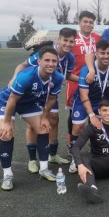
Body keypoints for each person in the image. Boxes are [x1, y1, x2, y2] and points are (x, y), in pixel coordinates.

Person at [9, 28, 77, 172]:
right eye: (65, 40)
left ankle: (52, 154)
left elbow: (67, 76)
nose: (68, 44)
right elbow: (22, 65)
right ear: (59, 39)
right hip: (33, 93)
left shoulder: (70, 57)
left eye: (71, 41)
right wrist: (15, 77)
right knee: (33, 124)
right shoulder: (46, 52)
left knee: (54, 119)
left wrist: (86, 79)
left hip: (49, 92)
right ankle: (32, 159)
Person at [0, 47, 64, 190]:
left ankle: (44, 168)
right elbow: (12, 100)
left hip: (28, 103)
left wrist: (45, 117)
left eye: (54, 61)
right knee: (6, 133)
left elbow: (52, 99)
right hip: (7, 102)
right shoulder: (26, 75)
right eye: (47, 60)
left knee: (43, 128)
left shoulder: (58, 77)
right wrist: (6, 123)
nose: (50, 64)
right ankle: (7, 175)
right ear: (39, 61)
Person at [69, 40, 109, 173]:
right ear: (96, 53)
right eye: (102, 53)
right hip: (83, 100)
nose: (106, 56)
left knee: (106, 123)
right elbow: (84, 95)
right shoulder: (86, 70)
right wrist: (91, 115)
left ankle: (98, 149)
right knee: (78, 127)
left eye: (108, 53)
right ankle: (74, 157)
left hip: (102, 101)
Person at [67, 11, 100, 153]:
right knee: (74, 116)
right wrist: (80, 79)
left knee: (95, 114)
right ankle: (71, 145)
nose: (88, 24)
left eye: (91, 22)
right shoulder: (72, 40)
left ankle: (95, 146)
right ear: (79, 22)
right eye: (85, 21)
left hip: (95, 83)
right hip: (75, 82)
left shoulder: (98, 38)